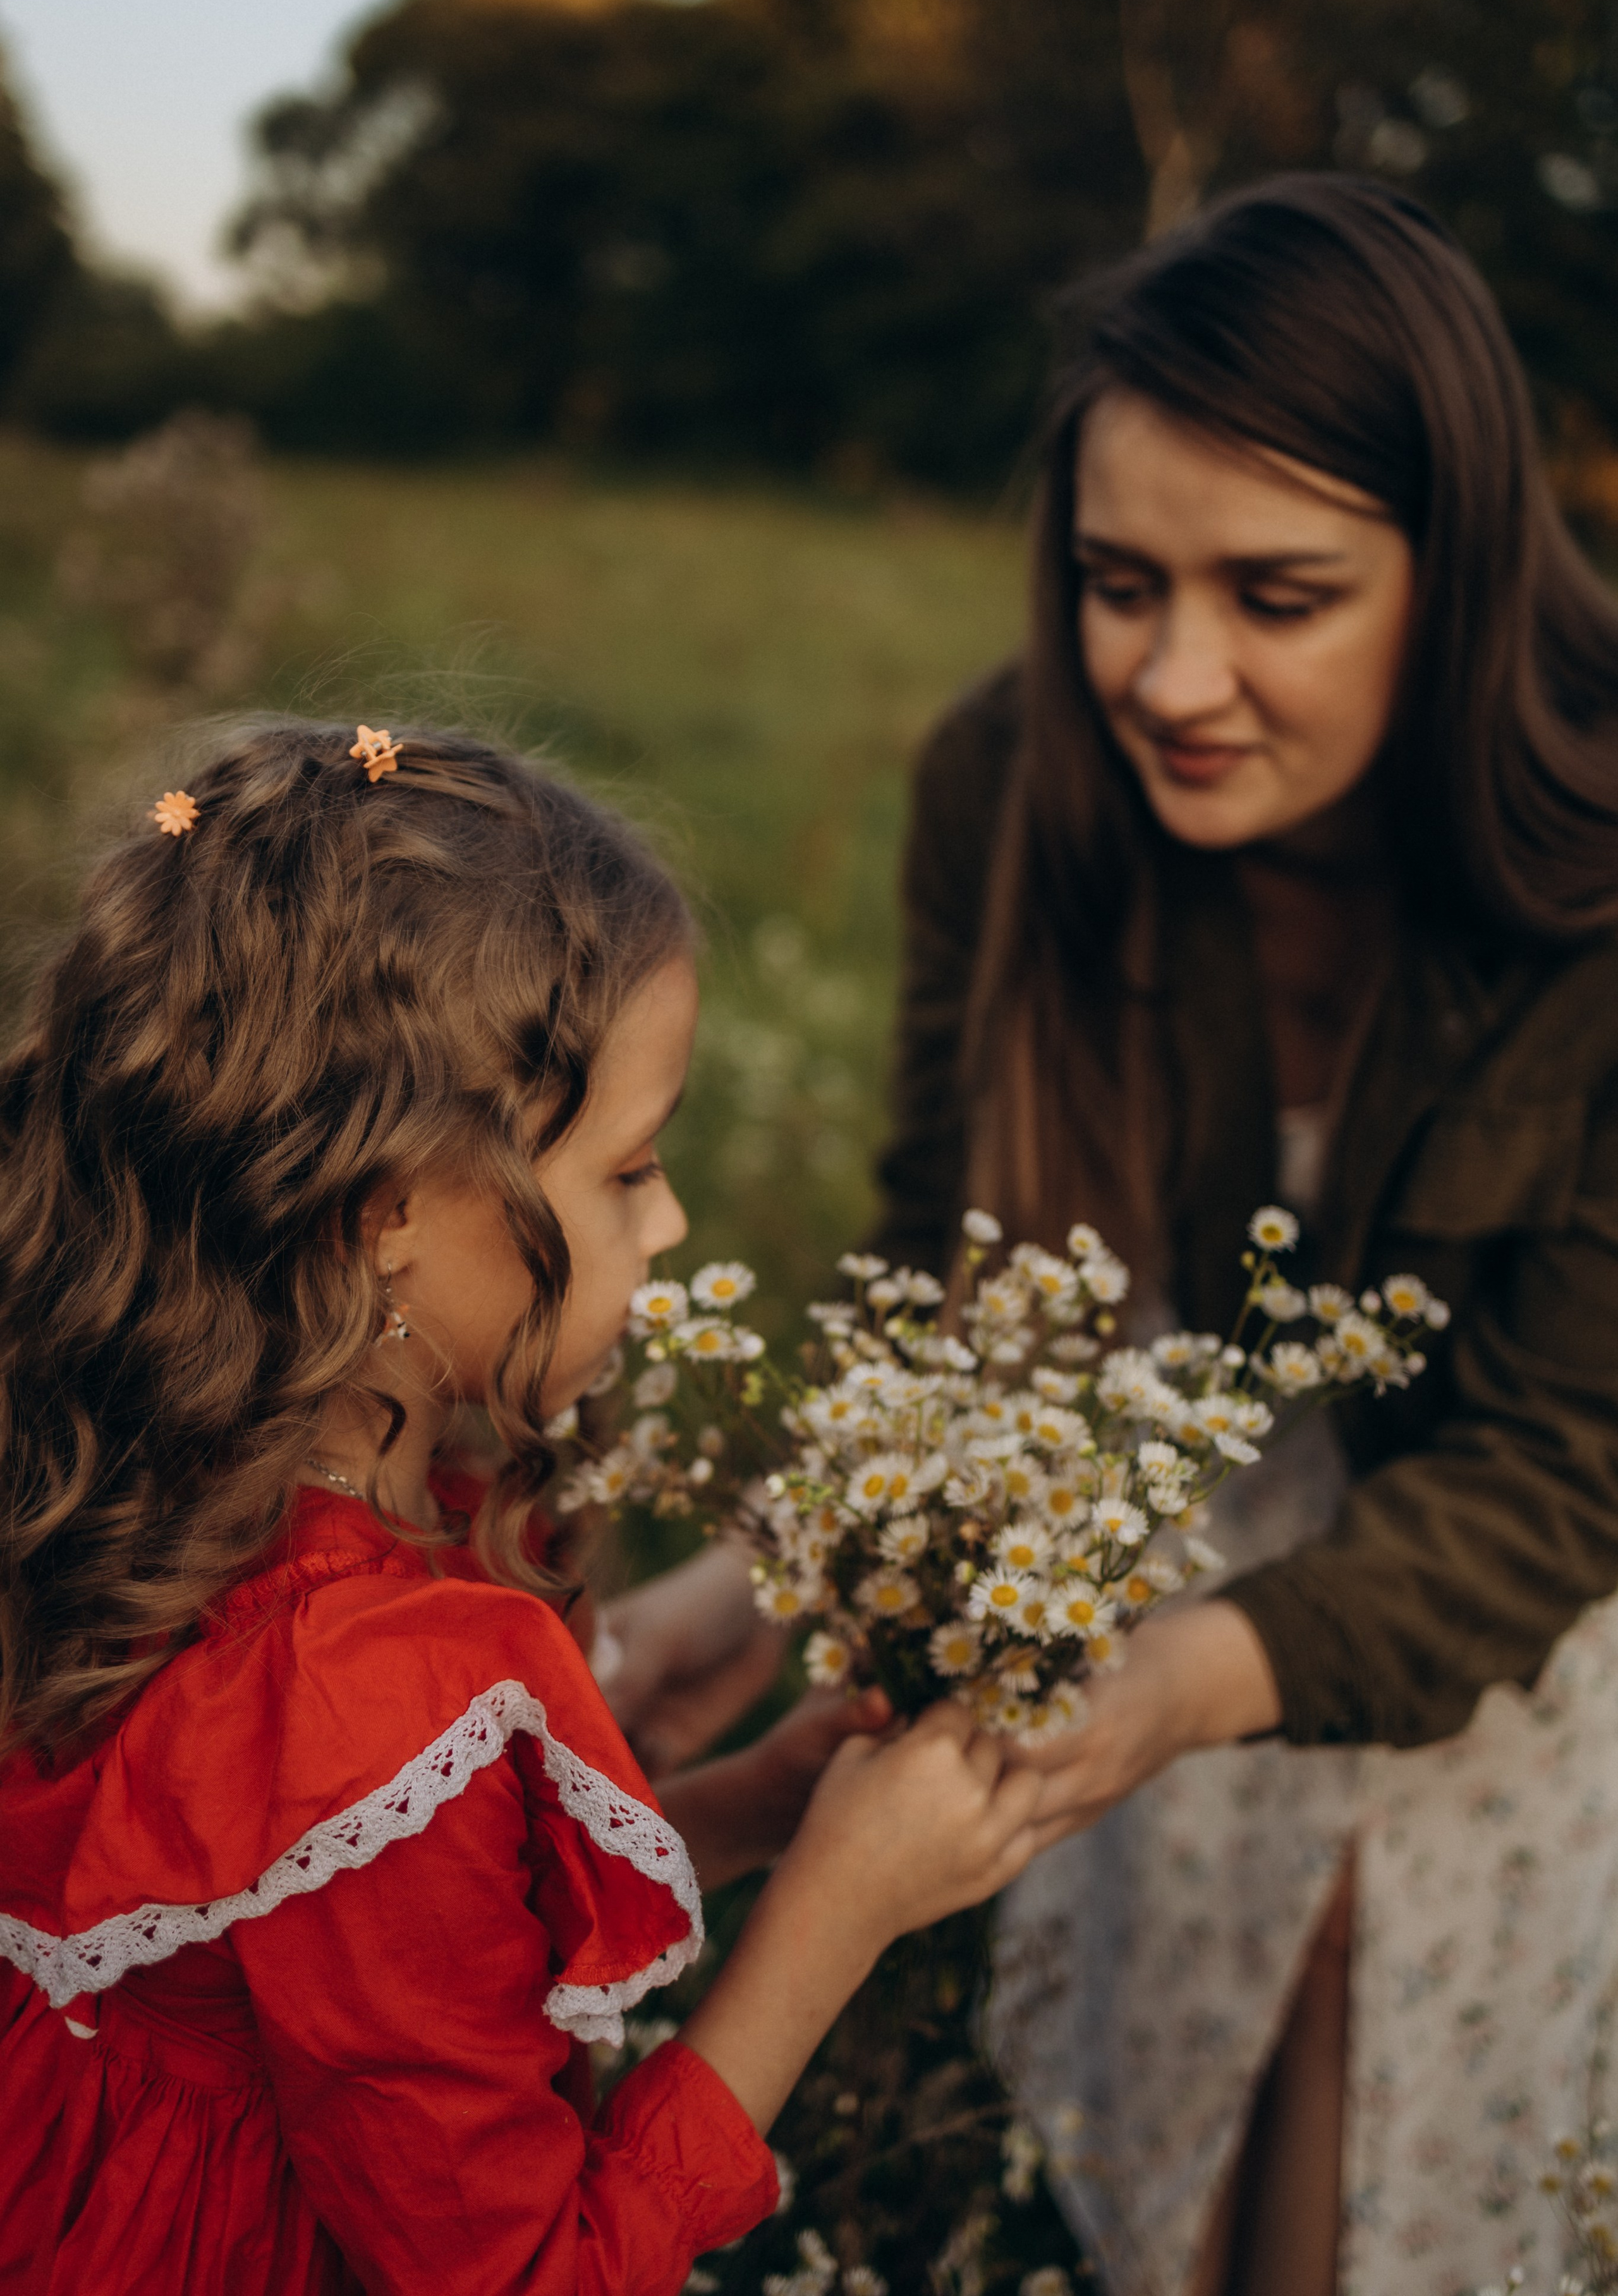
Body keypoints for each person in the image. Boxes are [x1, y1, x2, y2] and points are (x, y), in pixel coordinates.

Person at [605, 176, 1618, 2295]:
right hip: (1127, 1520)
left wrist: (1162, 1693)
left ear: (1461, 574)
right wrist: (785, 1558)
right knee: (1148, 2152)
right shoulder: (1016, 782)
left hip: (1510, 1595)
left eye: (1280, 595)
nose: (1174, 676)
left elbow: (1559, 1468)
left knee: (1365, 2120)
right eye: (1115, 581)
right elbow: (962, 1255)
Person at [0, 720, 1058, 2296]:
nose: (677, 1217)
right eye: (630, 1170)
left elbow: (397, 1966)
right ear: (385, 1221)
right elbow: (527, 2276)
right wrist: (835, 1917)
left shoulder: (161, 1466)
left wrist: (757, 1810)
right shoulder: (355, 1703)